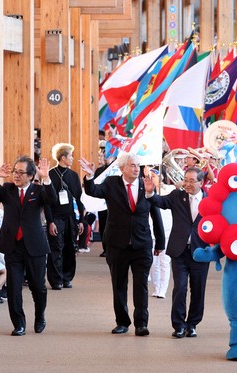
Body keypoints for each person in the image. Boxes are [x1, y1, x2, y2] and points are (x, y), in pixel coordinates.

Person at [79, 152, 165, 336]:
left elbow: (155, 214)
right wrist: (89, 176)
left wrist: (160, 241)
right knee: (119, 285)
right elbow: (93, 191)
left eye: (138, 166)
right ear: (122, 168)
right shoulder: (112, 184)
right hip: (117, 244)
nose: (136, 169)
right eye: (132, 165)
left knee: (141, 285)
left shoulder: (146, 185)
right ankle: (122, 322)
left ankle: (141, 324)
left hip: (141, 244)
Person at [0, 156, 56, 336]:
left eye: (21, 172)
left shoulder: (38, 190)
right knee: (14, 287)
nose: (16, 175)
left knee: (38, 286)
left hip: (35, 245)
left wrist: (46, 178)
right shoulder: (7, 190)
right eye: (15, 171)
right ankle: (19, 324)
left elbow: (52, 199)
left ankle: (40, 316)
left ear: (31, 175)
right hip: (12, 245)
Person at [145, 167, 210, 338]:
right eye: (185, 180)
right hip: (179, 251)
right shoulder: (177, 196)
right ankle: (179, 325)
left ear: (201, 182)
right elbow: (160, 201)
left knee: (198, 290)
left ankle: (192, 324)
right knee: (180, 288)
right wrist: (150, 192)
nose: (187, 184)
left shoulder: (210, 200)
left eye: (191, 181)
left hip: (200, 251)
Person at [47, 143, 84, 290]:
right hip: (55, 216)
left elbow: (80, 199)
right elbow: (46, 202)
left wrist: (81, 220)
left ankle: (67, 277)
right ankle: (56, 280)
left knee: (70, 248)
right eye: (70, 156)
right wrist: (50, 221)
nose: (72, 158)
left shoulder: (73, 175)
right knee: (56, 248)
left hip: (70, 217)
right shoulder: (50, 175)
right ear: (63, 158)